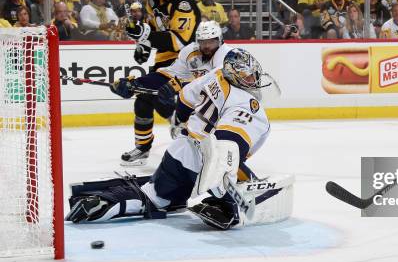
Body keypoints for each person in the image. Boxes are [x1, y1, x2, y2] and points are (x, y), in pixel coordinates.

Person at [67, 48, 287, 231]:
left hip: (178, 151)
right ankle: (227, 206)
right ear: (236, 75)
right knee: (237, 177)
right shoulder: (249, 105)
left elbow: (185, 97)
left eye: (252, 74)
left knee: (154, 198)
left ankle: (103, 203)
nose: (253, 79)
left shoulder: (217, 74)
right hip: (206, 164)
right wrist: (235, 184)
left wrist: (180, 121)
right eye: (247, 76)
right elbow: (226, 144)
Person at [122, 0, 200, 165]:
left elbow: (178, 41)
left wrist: (144, 36)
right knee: (143, 99)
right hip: (163, 59)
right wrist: (143, 45)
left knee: (158, 95)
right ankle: (143, 147)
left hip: (185, 61)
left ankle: (181, 126)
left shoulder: (184, 2)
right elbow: (154, 26)